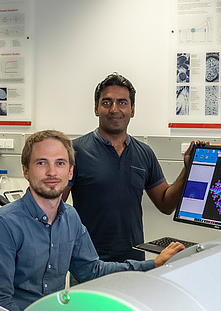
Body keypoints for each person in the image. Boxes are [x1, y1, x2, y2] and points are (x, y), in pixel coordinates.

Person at [0, 130, 184, 311]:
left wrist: (154, 264)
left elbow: (92, 270)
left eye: (60, 163)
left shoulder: (69, 218)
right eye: (41, 163)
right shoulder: (2, 225)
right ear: (26, 171)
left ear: (71, 172)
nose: (52, 172)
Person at [65, 73, 206, 262]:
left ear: (132, 109)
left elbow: (166, 204)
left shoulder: (144, 153)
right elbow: (55, 206)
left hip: (133, 262)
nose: (114, 109)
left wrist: (187, 170)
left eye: (122, 102)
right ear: (96, 109)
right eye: (106, 102)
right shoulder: (74, 152)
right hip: (88, 262)